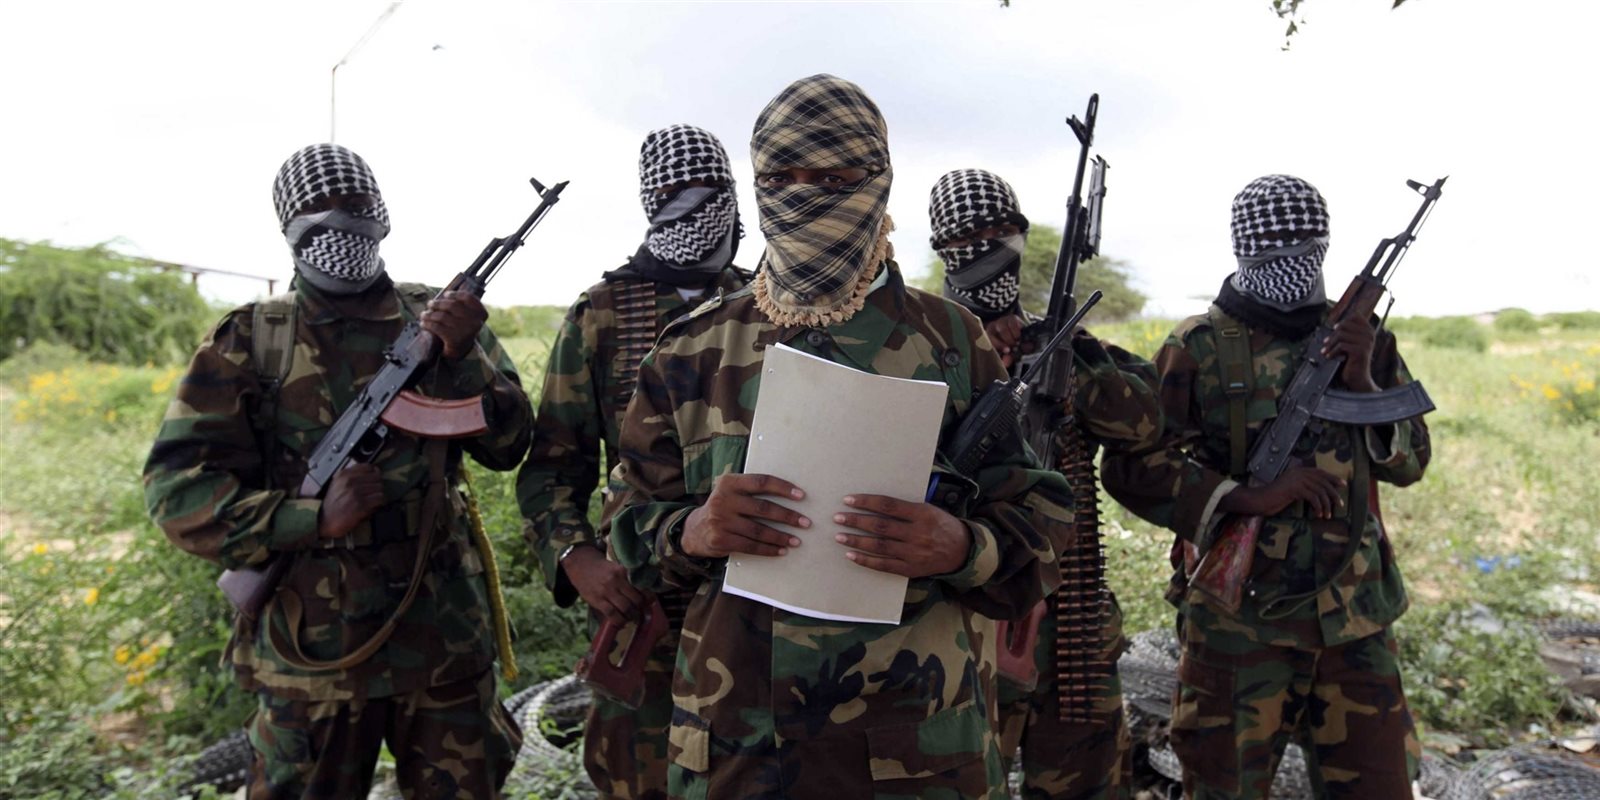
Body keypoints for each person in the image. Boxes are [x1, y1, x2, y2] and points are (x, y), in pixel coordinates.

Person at [605, 74, 1073, 799]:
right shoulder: (692, 349)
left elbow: (1040, 518)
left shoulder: (950, 339)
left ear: (877, 181)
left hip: (916, 751)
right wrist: (691, 531)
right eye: (781, 178)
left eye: (833, 179)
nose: (804, 196)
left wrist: (961, 545)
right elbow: (625, 526)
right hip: (737, 748)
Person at [143, 143, 530, 799]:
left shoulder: (438, 319)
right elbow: (178, 492)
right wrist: (310, 517)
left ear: (381, 211)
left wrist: (462, 355)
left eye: (354, 204)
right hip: (314, 655)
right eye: (317, 212)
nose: (340, 223)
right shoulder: (254, 339)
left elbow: (509, 445)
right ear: (287, 227)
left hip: (441, 640)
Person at [1102, 174, 1431, 800]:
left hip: (1353, 615)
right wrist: (1243, 497)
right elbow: (1132, 466)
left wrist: (1362, 381)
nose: (1294, 264)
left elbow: (1411, 463)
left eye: (1307, 248)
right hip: (1240, 624)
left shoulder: (1363, 340)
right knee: (1222, 787)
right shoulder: (1197, 346)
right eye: (1276, 250)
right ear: (1245, 250)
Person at [517, 123, 751, 799]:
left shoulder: (766, 303)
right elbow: (552, 467)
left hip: (748, 605)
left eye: (708, 189)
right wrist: (576, 558)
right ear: (651, 202)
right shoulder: (600, 315)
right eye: (676, 193)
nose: (694, 206)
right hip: (644, 606)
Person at [929, 167, 1162, 800]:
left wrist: (1064, 365)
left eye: (1001, 231)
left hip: (1071, 615)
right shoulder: (920, 345)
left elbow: (1145, 422)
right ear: (943, 248)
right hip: (960, 613)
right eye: (968, 237)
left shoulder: (1061, 343)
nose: (986, 246)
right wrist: (979, 362)